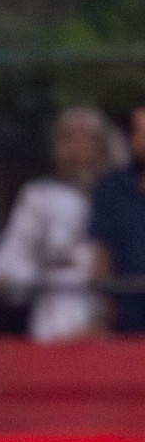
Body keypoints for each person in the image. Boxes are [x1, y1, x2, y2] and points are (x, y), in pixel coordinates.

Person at [0, 106, 111, 342]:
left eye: (85, 139)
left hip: (113, 329)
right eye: (69, 139)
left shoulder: (118, 195)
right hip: (53, 323)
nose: (77, 148)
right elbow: (12, 264)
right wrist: (4, 277)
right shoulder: (38, 195)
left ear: (100, 145)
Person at [90, 104, 145, 333]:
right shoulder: (111, 187)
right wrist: (104, 314)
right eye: (135, 130)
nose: (137, 138)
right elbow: (102, 255)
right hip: (124, 323)